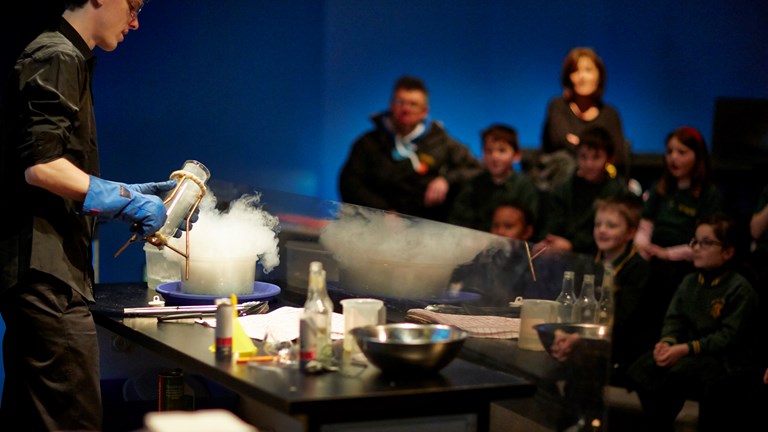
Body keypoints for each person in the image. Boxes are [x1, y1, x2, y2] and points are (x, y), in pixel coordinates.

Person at [0, 2, 192, 430]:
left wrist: (126, 195)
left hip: (45, 277)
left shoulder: (65, 56)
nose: (136, 21)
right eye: (134, 5)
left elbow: (53, 175)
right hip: (46, 279)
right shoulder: (57, 55)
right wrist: (124, 198)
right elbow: (42, 167)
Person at [626, 213, 759, 431]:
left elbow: (727, 337)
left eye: (706, 243)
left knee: (679, 374)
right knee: (642, 369)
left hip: (720, 357)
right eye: (695, 241)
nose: (696, 248)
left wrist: (684, 349)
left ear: (728, 252)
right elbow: (674, 318)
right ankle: (658, 423)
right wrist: (668, 343)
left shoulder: (739, 288)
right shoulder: (689, 281)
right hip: (685, 348)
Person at [338, 75, 482, 222]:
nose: (405, 109)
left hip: (426, 230)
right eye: (400, 102)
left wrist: (446, 180)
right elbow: (350, 183)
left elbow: (476, 169)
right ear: (391, 105)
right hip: (374, 226)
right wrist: (382, 212)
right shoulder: (368, 143)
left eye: (413, 104)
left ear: (424, 111)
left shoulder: (441, 142)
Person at [634, 126, 722, 347]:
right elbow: (645, 224)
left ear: (698, 156)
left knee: (666, 279)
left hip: (685, 258)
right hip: (654, 252)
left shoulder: (708, 194)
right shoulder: (662, 187)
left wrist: (667, 253)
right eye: (670, 151)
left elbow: (706, 243)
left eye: (681, 152)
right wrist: (643, 245)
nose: (673, 158)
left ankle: (662, 341)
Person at [537, 47, 627, 190]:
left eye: (588, 70)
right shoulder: (558, 106)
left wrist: (579, 143)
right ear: (568, 78)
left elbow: (618, 154)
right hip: (561, 183)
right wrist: (597, 153)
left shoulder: (610, 114)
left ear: (599, 77)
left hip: (602, 184)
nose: (582, 76)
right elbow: (560, 141)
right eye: (575, 71)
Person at [538, 125, 628, 256]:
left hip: (596, 254)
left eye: (596, 157)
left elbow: (610, 232)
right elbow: (553, 221)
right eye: (583, 157)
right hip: (559, 250)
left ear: (610, 159)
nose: (588, 164)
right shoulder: (565, 186)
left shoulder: (616, 191)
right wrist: (548, 240)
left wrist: (572, 245)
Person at [592, 194, 652, 387]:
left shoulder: (638, 268)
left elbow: (624, 317)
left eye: (611, 226)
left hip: (621, 345)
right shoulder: (591, 261)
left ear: (630, 232)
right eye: (598, 224)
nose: (602, 230)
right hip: (591, 335)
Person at [448, 123, 539, 233]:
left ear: (517, 155)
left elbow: (532, 226)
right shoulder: (473, 185)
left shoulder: (525, 187)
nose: (494, 156)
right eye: (489, 151)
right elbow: (458, 222)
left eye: (502, 150)